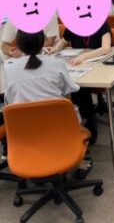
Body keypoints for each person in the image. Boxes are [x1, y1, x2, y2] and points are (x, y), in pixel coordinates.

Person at [5, 31, 92, 175]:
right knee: (72, 106)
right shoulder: (56, 64)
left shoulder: (8, 69)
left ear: (18, 45)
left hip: (24, 130)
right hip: (59, 127)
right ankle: (74, 158)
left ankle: (40, 155)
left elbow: (8, 100)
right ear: (43, 42)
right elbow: (70, 92)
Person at [46, 21, 112, 141]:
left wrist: (83, 57)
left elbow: (106, 48)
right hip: (78, 66)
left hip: (98, 66)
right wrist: (55, 49)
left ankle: (89, 124)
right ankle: (80, 121)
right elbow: (63, 42)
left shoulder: (102, 24)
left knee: (78, 88)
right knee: (72, 84)